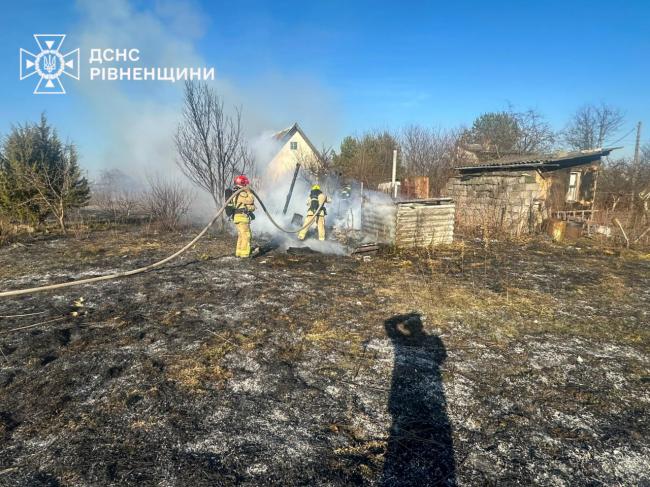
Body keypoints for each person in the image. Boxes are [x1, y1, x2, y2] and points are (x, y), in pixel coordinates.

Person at [226, 175, 255, 258]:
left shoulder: (235, 192)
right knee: (246, 235)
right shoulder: (241, 192)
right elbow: (250, 200)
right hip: (242, 217)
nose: (246, 185)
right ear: (242, 183)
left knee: (241, 235)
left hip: (238, 217)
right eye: (245, 183)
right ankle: (244, 254)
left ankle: (239, 252)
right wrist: (249, 192)